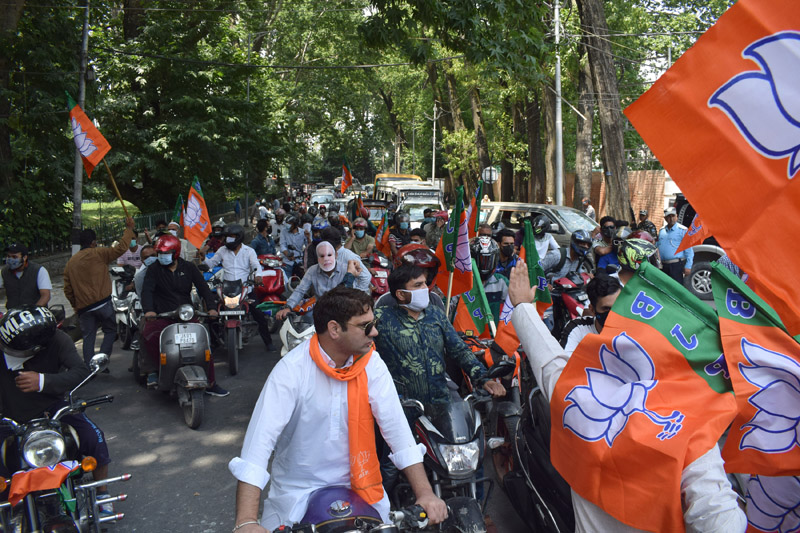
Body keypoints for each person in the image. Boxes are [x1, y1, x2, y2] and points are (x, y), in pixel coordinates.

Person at [506, 260, 746, 533]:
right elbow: (719, 521)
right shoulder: (691, 431)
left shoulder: (583, 402)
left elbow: (550, 363)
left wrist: (523, 307)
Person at [229, 287, 448, 532]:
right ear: (334, 329)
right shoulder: (291, 370)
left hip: (362, 491)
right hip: (297, 496)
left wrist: (426, 493)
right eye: (365, 326)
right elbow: (258, 447)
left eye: (373, 323)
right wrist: (246, 521)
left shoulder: (371, 363)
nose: (374, 332)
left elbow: (397, 431)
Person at [0, 307, 115, 514]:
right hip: (8, 415)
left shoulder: (57, 339)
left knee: (93, 436)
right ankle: (7, 504)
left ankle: (102, 492)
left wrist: (42, 381)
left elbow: (81, 372)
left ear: (37, 348)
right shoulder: (5, 342)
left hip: (53, 407)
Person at [374, 264, 505, 404]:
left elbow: (459, 350)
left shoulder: (436, 314)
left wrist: (484, 378)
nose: (425, 288)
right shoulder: (381, 318)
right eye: (418, 285)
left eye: (425, 283)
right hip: (402, 405)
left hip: (441, 401)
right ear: (401, 294)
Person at [141, 234, 227, 396]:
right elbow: (147, 291)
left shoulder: (188, 267)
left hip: (186, 314)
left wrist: (212, 307)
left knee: (204, 341)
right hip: (163, 316)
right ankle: (157, 371)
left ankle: (211, 382)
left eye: (165, 253)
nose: (162, 257)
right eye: (159, 253)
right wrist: (149, 310)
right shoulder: (153, 270)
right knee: (149, 335)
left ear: (176, 253)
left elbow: (203, 288)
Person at [64, 218, 136, 365]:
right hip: (103, 303)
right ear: (93, 242)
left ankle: (90, 365)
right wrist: (129, 229)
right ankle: (102, 359)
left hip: (84, 307)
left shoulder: (71, 263)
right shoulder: (99, 253)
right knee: (110, 330)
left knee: (88, 337)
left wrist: (75, 305)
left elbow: (68, 289)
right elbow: (121, 248)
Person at [202, 224, 275, 352]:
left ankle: (268, 342)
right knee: (212, 315)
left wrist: (258, 277)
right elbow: (211, 263)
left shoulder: (249, 251)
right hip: (227, 290)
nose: (228, 239)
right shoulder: (222, 250)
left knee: (259, 316)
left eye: (232, 236)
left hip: (246, 289)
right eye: (227, 237)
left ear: (239, 237)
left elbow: (255, 265)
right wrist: (202, 257)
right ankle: (214, 343)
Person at [276, 241, 364, 320]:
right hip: (321, 311)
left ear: (336, 255)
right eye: (322, 256)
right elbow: (300, 290)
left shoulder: (346, 270)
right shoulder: (312, 271)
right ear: (317, 258)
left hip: (342, 311)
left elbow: (352, 291)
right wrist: (288, 307)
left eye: (329, 255)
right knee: (307, 320)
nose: (326, 259)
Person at [559, 271, 622, 354]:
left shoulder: (634, 327)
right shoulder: (578, 328)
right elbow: (564, 363)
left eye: (617, 306)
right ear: (592, 310)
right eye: (606, 308)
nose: (613, 313)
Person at [1, 243, 52, 308]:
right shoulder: (4, 272)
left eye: (14, 257)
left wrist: (34, 310)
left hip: (35, 313)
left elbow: (45, 295)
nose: (10, 259)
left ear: (24, 257)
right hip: (13, 313)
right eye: (8, 256)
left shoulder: (38, 270)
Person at [470, 236, 507, 321]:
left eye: (488, 260)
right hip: (465, 331)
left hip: (492, 332)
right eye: (481, 260)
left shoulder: (501, 282)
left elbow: (513, 304)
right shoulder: (462, 282)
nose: (484, 264)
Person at [658, 207, 694, 284]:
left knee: (676, 288)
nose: (671, 218)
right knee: (663, 287)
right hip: (663, 265)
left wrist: (688, 265)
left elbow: (689, 250)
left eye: (673, 216)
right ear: (665, 218)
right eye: (669, 216)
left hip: (676, 265)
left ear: (676, 216)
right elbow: (657, 246)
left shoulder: (683, 230)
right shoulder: (662, 231)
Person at [279, 215, 306, 280]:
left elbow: (309, 246)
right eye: (287, 224)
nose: (288, 225)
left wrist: (308, 237)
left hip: (299, 261)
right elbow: (282, 245)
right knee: (286, 282)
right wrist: (288, 254)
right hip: (287, 262)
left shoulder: (303, 232)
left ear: (295, 225)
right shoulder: (284, 231)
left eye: (290, 224)